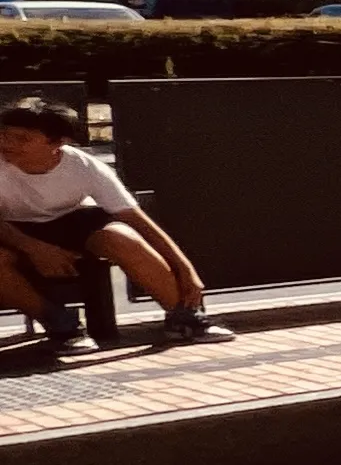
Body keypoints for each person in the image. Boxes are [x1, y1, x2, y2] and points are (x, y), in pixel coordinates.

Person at [0, 98, 234, 356]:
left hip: (71, 222)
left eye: (21, 139)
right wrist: (35, 249)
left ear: (57, 143)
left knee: (121, 237)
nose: (8, 144)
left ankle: (184, 318)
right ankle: (62, 327)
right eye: (4, 135)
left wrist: (186, 269)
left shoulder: (84, 167)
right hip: (11, 228)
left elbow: (136, 220)